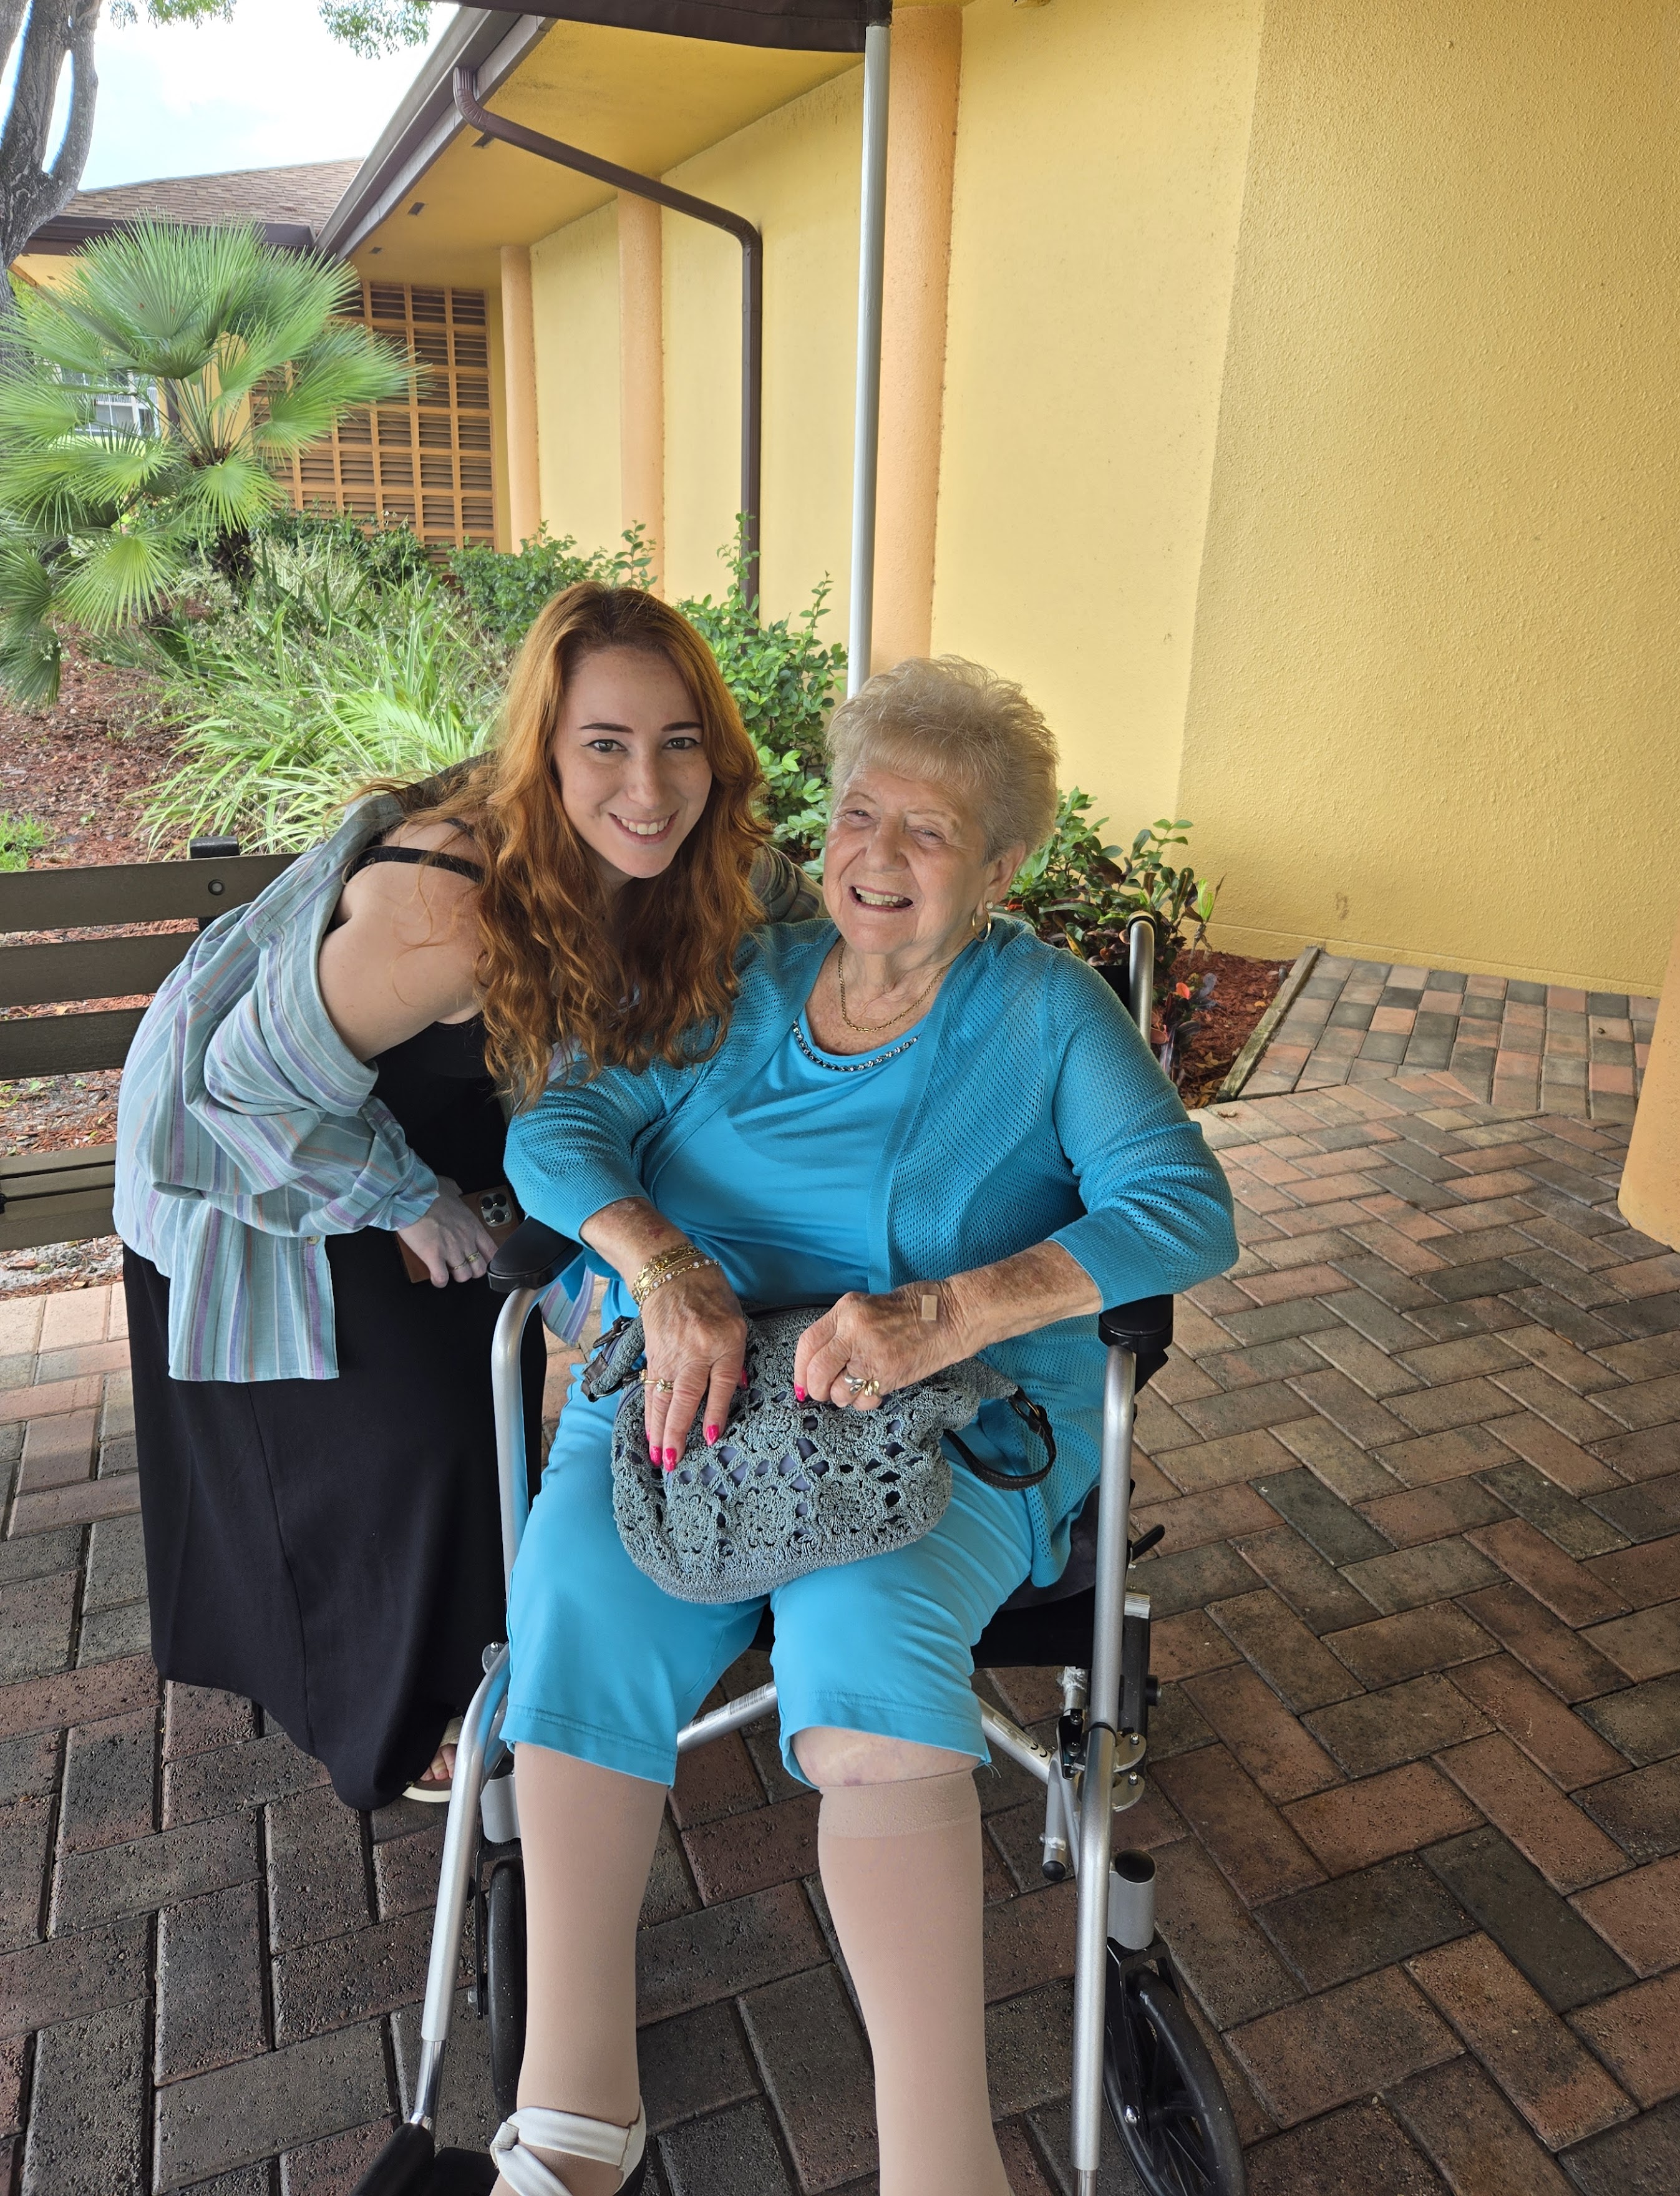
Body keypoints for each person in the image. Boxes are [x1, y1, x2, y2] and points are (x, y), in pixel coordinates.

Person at [497, 656, 1238, 2196]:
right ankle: (574, 2113)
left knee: (863, 1644)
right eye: (857, 816)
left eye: (929, 831)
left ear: (1002, 865)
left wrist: (944, 1313)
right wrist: (668, 1264)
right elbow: (562, 1127)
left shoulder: (1041, 1011)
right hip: (702, 1390)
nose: (878, 858)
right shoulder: (745, 973)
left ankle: (940, 2166)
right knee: (577, 1600)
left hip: (944, 1413)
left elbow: (1183, 1208)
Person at [114, 583, 817, 1814]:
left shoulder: (684, 850)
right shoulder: (444, 912)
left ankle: (514, 1646)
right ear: (542, 752)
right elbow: (244, 1091)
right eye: (604, 746)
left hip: (455, 1149)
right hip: (281, 1159)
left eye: (679, 742)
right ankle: (409, 1714)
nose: (647, 788)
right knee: (410, 1442)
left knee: (485, 1411)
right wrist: (407, 1198)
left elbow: (812, 925)